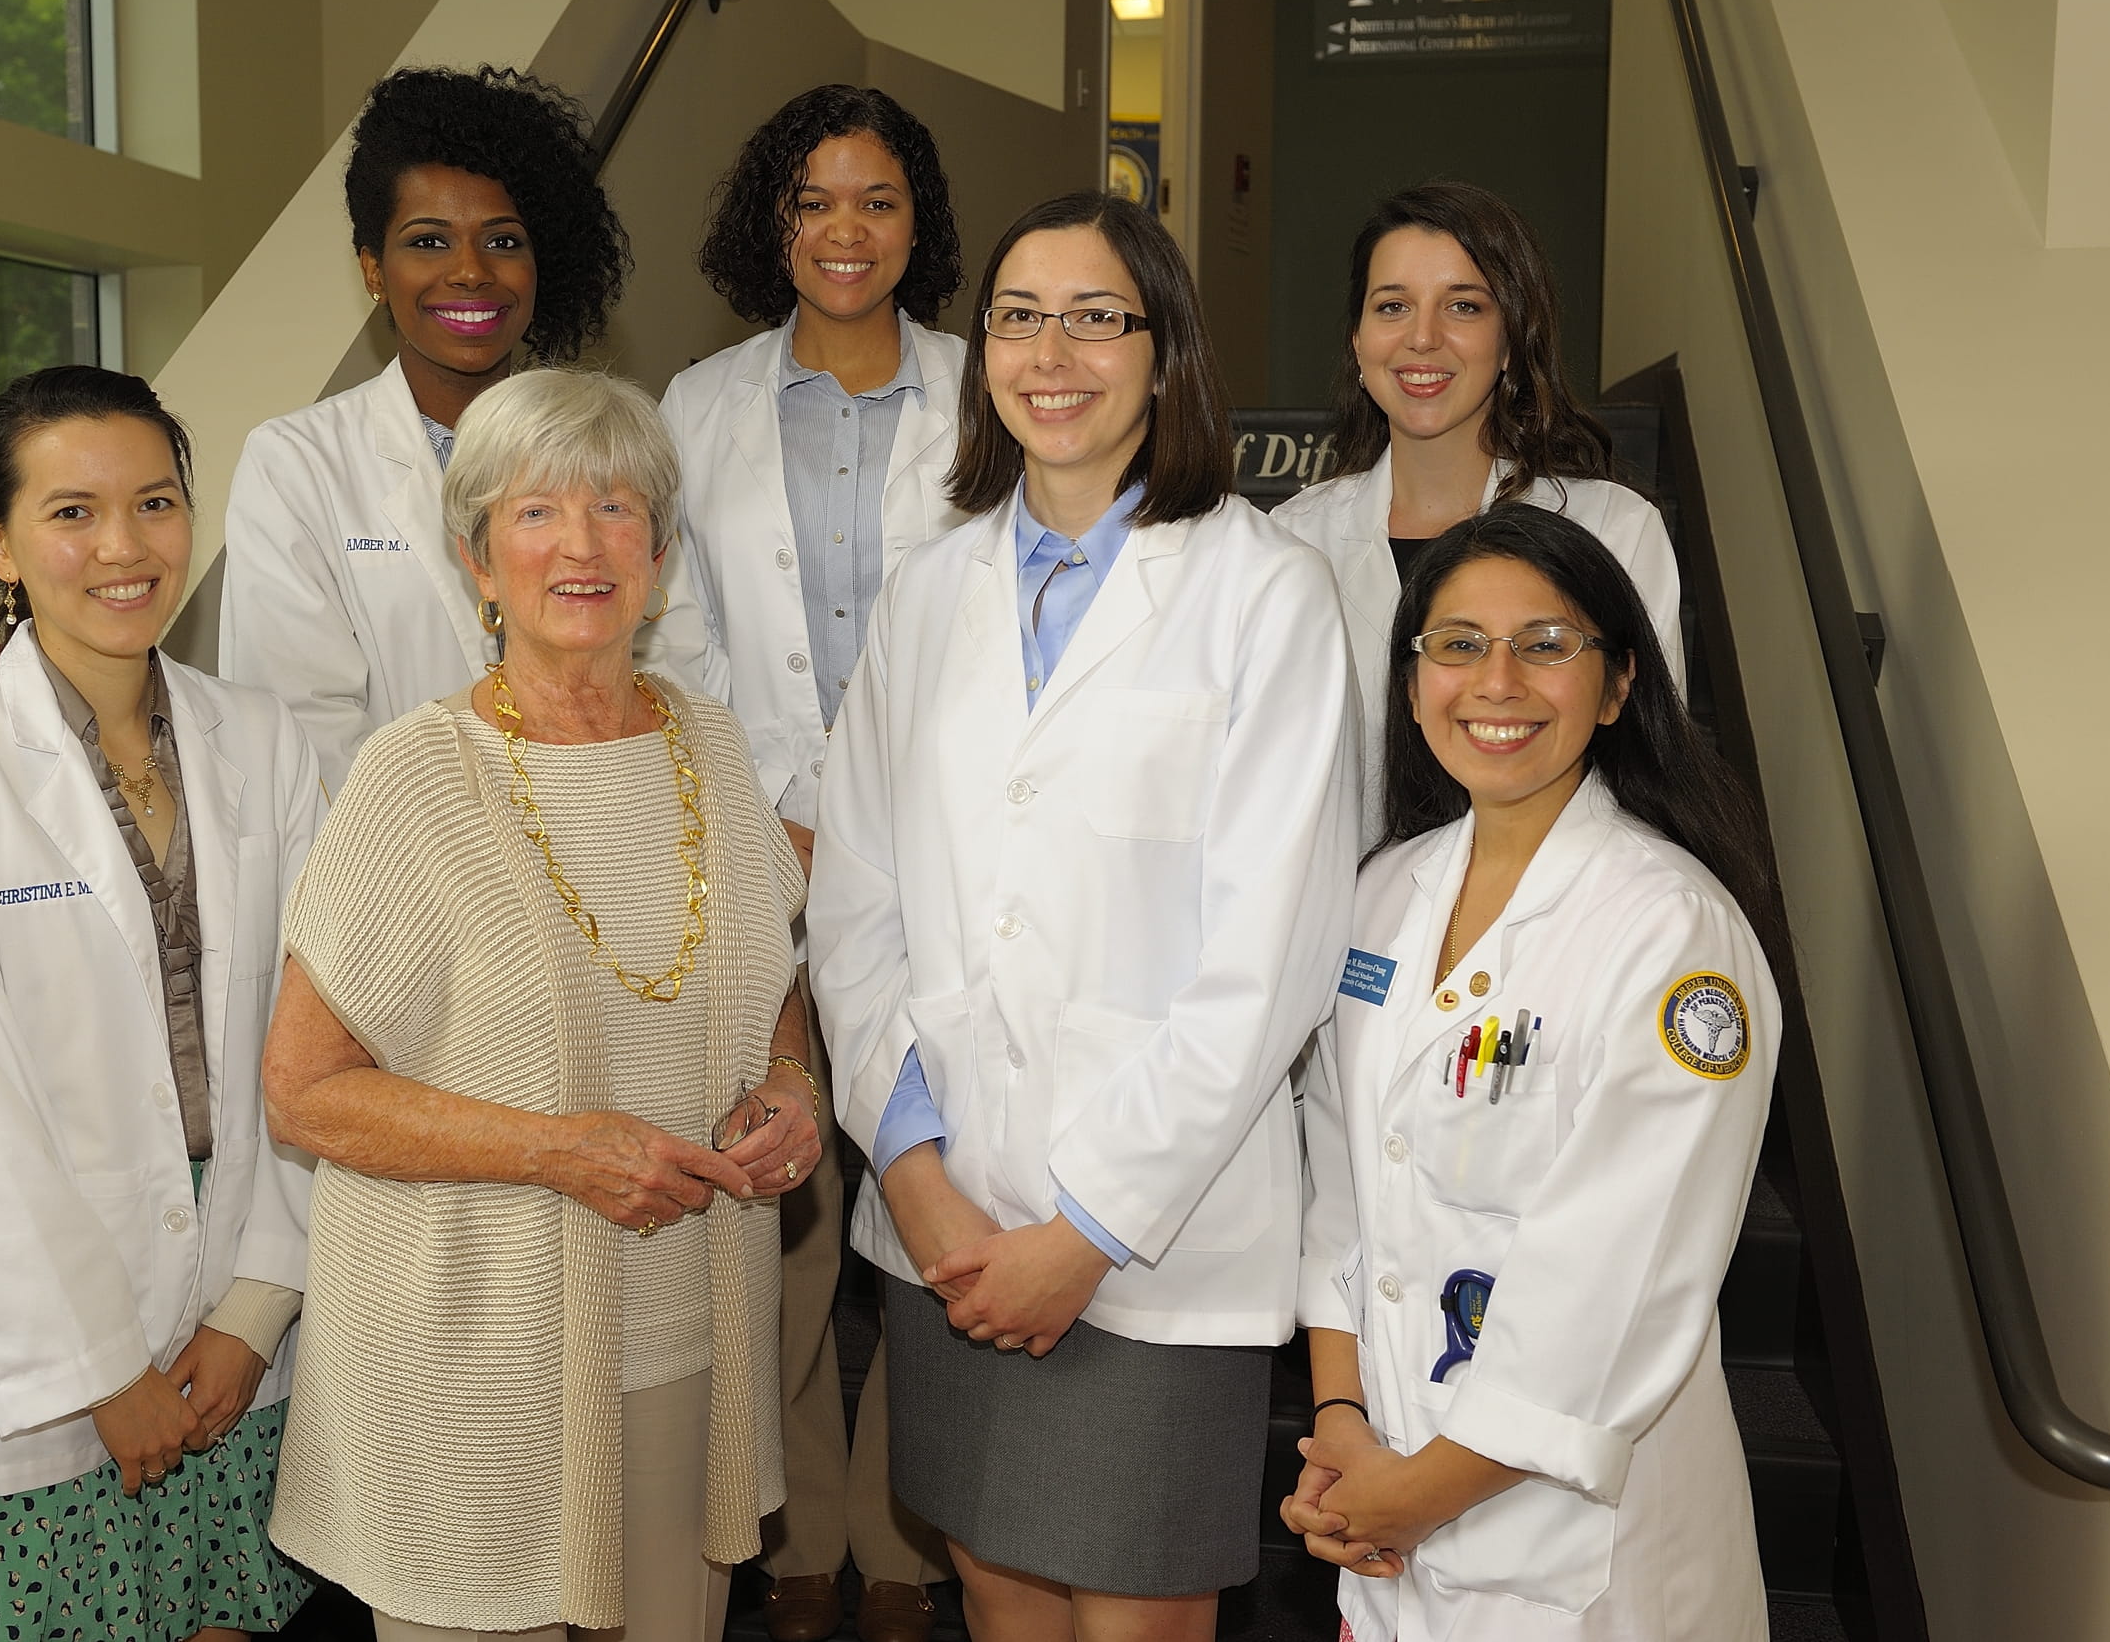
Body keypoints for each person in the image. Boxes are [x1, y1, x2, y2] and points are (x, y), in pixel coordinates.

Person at [809, 191, 1360, 1641]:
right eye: (1017, 316)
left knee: (1135, 1608)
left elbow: (1276, 960)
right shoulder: (929, 595)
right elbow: (855, 900)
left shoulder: (1266, 592)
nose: (1052, 351)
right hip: (948, 1220)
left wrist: (1088, 1226)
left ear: (1164, 347)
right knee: (991, 1575)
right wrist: (916, 1168)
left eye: (1094, 316)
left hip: (1150, 1236)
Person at [258, 369, 815, 1641]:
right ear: (476, 560)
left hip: (685, 1343)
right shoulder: (413, 774)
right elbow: (304, 1089)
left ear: (662, 556)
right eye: (534, 512)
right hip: (477, 1357)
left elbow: (767, 982)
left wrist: (793, 1085)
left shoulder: (713, 747)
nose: (580, 543)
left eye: (617, 508)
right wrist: (557, 1149)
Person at [0, 366, 323, 1642]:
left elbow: (317, 1038)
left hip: (228, 1339)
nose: (124, 547)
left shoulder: (267, 739)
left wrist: (256, 1304)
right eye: (72, 512)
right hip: (38, 1372)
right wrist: (101, 1370)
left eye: (155, 502)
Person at [1282, 503, 1783, 1641]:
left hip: (1576, 1548)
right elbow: (1339, 1193)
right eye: (1456, 643)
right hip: (1389, 1492)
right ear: (1411, 685)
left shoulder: (1670, 931)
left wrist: (1412, 1495)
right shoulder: (1379, 897)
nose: (1494, 679)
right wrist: (1344, 1420)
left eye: (1546, 644)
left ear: (1615, 687)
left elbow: (1620, 1274)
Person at [645, 83, 965, 1642]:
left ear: (921, 223)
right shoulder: (696, 403)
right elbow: (674, 615)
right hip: (755, 839)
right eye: (813, 201)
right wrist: (770, 799)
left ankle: (905, 1546)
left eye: (878, 200)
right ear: (770, 221)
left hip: (944, 851)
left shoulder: (989, 393)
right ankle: (792, 1526)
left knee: (929, 1179)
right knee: (780, 1199)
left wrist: (888, 818)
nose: (845, 232)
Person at [222, 65, 631, 796]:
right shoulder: (295, 465)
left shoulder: (615, 453)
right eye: (429, 242)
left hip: (605, 850)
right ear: (374, 269)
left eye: (503, 242)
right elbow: (302, 730)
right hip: (404, 880)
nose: (471, 272)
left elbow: (671, 665)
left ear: (544, 265)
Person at [1271, 181, 1683, 839]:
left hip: (1554, 916)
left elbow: (1640, 773)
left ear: (1513, 338)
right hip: (1347, 921)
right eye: (1392, 306)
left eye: (1463, 306)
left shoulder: (1615, 531)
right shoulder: (1288, 543)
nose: (1423, 338)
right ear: (1357, 339)